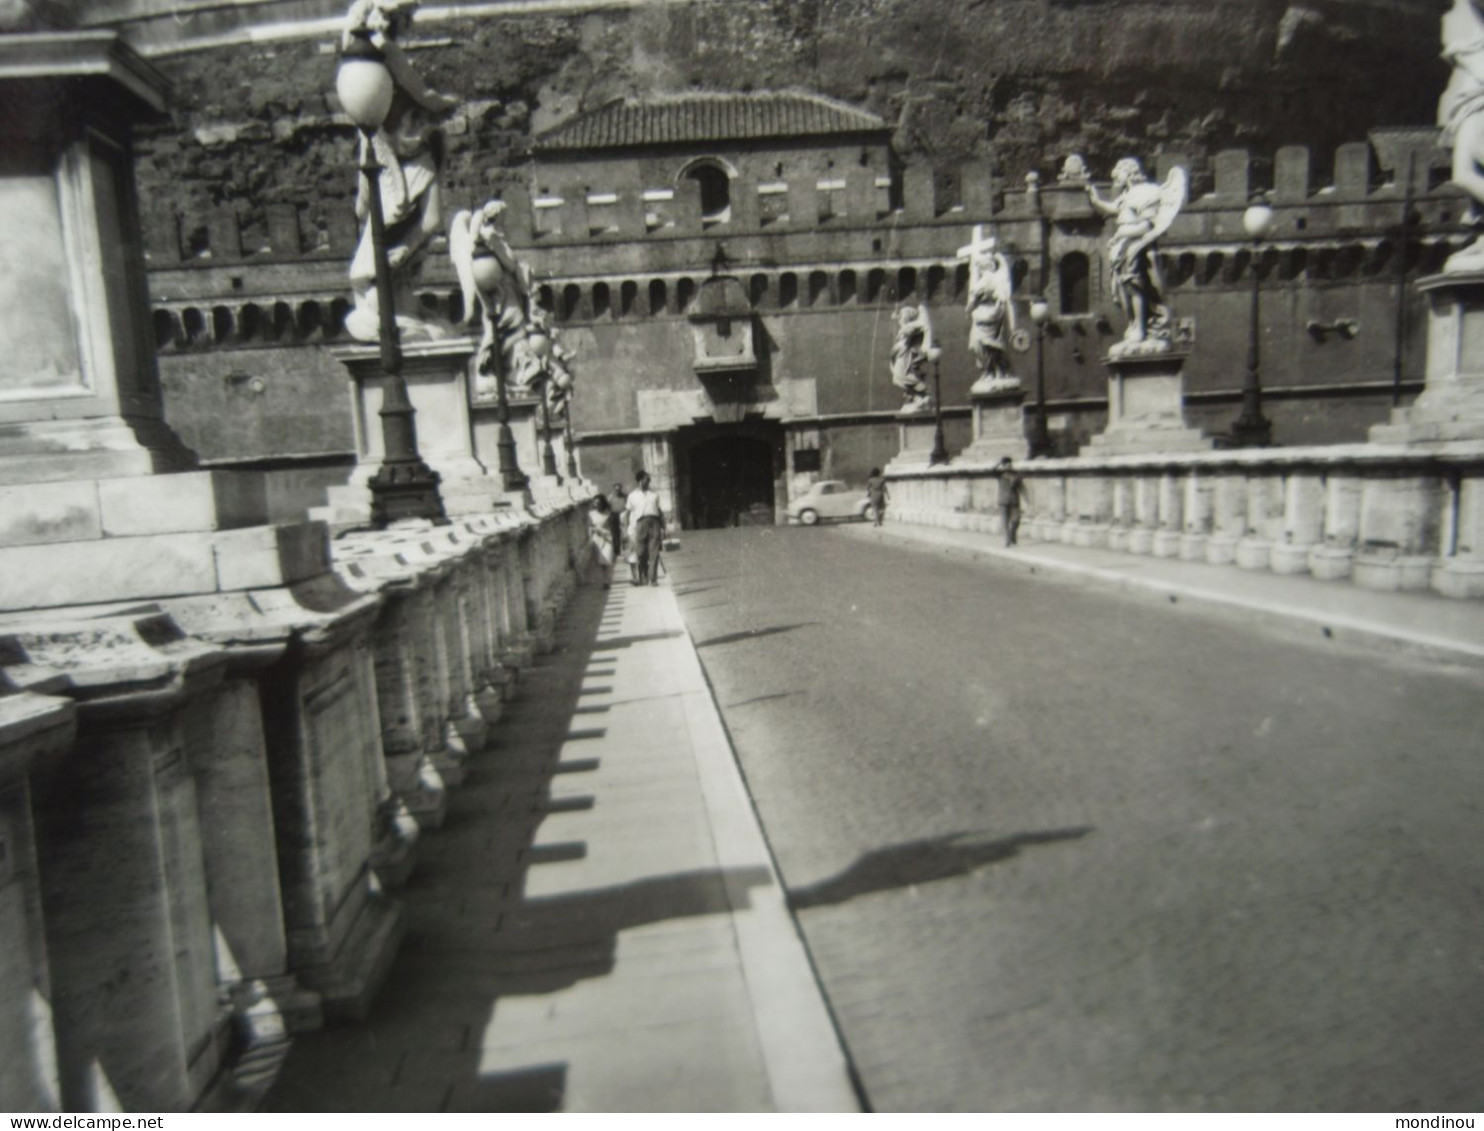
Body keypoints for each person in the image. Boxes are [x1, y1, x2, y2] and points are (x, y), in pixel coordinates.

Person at [625, 471, 666, 585]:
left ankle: (653, 579)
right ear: (640, 480)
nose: (648, 481)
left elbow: (660, 511)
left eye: (649, 480)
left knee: (654, 551)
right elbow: (628, 513)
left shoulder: (654, 494)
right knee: (640, 552)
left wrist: (664, 528)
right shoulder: (632, 496)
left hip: (654, 522)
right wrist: (625, 529)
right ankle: (645, 575)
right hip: (640, 523)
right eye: (646, 479)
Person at [996, 457, 1027, 547]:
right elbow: (991, 470)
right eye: (1007, 464)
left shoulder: (1016, 474)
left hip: (1014, 500)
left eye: (1010, 464)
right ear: (1004, 465)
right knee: (1005, 522)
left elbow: (1021, 487)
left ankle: (1012, 535)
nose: (1009, 465)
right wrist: (999, 463)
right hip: (1003, 501)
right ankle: (1007, 540)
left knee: (1016, 520)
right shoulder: (999, 474)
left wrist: (1026, 499)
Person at [587, 496, 616, 587]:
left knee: (607, 559)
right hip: (597, 538)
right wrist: (591, 534)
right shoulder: (591, 514)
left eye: (599, 502)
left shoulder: (609, 514)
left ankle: (607, 580)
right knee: (599, 560)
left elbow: (612, 527)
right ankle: (604, 579)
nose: (597, 504)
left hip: (607, 537)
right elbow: (589, 526)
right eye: (595, 503)